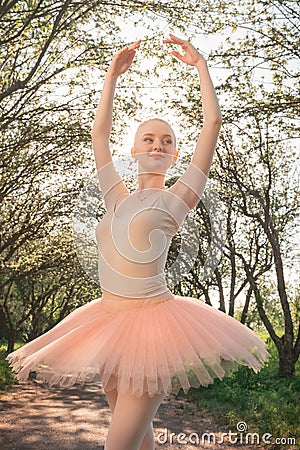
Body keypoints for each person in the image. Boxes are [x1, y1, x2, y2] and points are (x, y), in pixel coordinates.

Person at [6, 35, 269, 450]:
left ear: (174, 153)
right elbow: (98, 137)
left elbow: (212, 126)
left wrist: (201, 66)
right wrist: (112, 75)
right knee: (140, 441)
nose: (157, 145)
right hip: (109, 323)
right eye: (148, 138)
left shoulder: (177, 200)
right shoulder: (116, 197)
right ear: (134, 150)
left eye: (166, 141)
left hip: (151, 328)